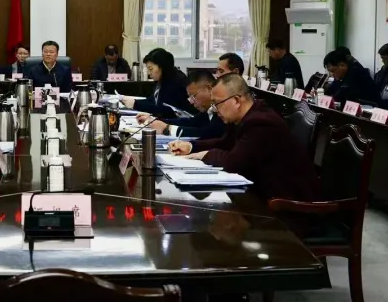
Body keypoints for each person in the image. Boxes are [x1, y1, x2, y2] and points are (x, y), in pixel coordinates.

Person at [168, 74, 320, 201]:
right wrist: (191, 146)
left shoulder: (261, 123)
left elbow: (233, 163)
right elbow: (225, 142)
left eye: (217, 103)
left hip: (287, 204)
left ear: (236, 101)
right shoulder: (244, 116)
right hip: (262, 193)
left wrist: (203, 155)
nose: (214, 109)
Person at [139, 70, 227, 139]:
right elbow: (191, 122)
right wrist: (155, 120)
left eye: (193, 96)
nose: (191, 102)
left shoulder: (222, 109)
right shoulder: (208, 110)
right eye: (190, 97)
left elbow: (208, 133)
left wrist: (167, 129)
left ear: (209, 89)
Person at [122, 47, 194, 116]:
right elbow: (152, 100)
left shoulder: (176, 82)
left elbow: (166, 111)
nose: (149, 73)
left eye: (151, 69)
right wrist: (132, 101)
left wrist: (135, 104)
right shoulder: (162, 79)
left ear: (162, 66)